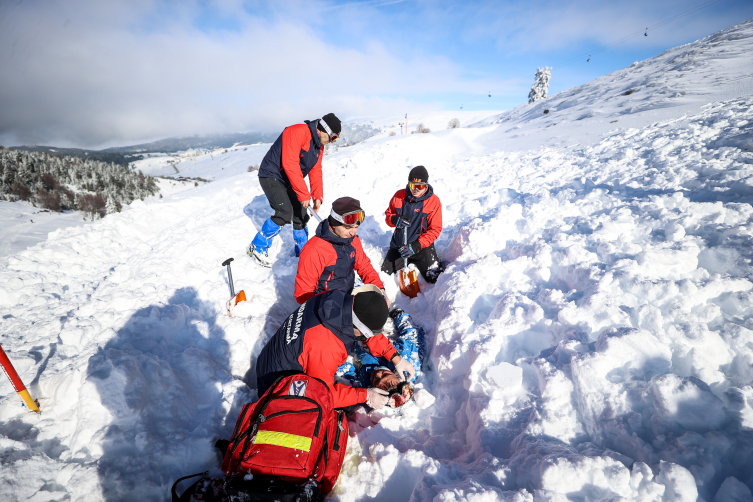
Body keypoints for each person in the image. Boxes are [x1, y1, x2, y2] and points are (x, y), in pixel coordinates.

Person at [254, 288, 416, 410]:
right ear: (360, 328)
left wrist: (396, 357)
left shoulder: (339, 300)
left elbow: (366, 329)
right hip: (275, 384)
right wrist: (365, 395)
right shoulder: (325, 347)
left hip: (273, 356)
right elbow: (322, 393)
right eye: (368, 334)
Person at [249, 113, 342, 267]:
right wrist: (303, 193)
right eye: (333, 137)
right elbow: (289, 163)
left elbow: (315, 170)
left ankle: (302, 250)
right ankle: (257, 247)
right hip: (272, 174)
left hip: (289, 177)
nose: (332, 142)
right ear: (323, 130)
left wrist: (317, 196)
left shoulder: (319, 146)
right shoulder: (297, 131)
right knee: (284, 212)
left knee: (301, 211)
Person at [294, 196, 386, 305]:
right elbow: (303, 293)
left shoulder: (352, 240)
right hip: (324, 303)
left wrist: (379, 289)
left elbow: (364, 267)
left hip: (346, 295)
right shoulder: (314, 249)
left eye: (356, 227)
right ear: (334, 224)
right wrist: (327, 310)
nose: (353, 232)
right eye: (348, 228)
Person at [340, 308, 424, 408]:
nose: (378, 373)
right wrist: (399, 315)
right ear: (397, 376)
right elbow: (411, 333)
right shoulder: (408, 361)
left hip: (358, 342)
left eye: (375, 380)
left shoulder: (364, 387)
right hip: (380, 334)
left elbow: (344, 370)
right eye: (385, 374)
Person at [382, 165, 444, 283]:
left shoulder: (433, 201)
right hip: (399, 246)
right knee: (385, 275)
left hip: (421, 247)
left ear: (426, 185)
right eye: (412, 185)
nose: (415, 189)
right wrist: (394, 219)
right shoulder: (399, 196)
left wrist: (417, 245)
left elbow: (435, 229)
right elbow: (388, 217)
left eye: (419, 186)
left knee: (435, 278)